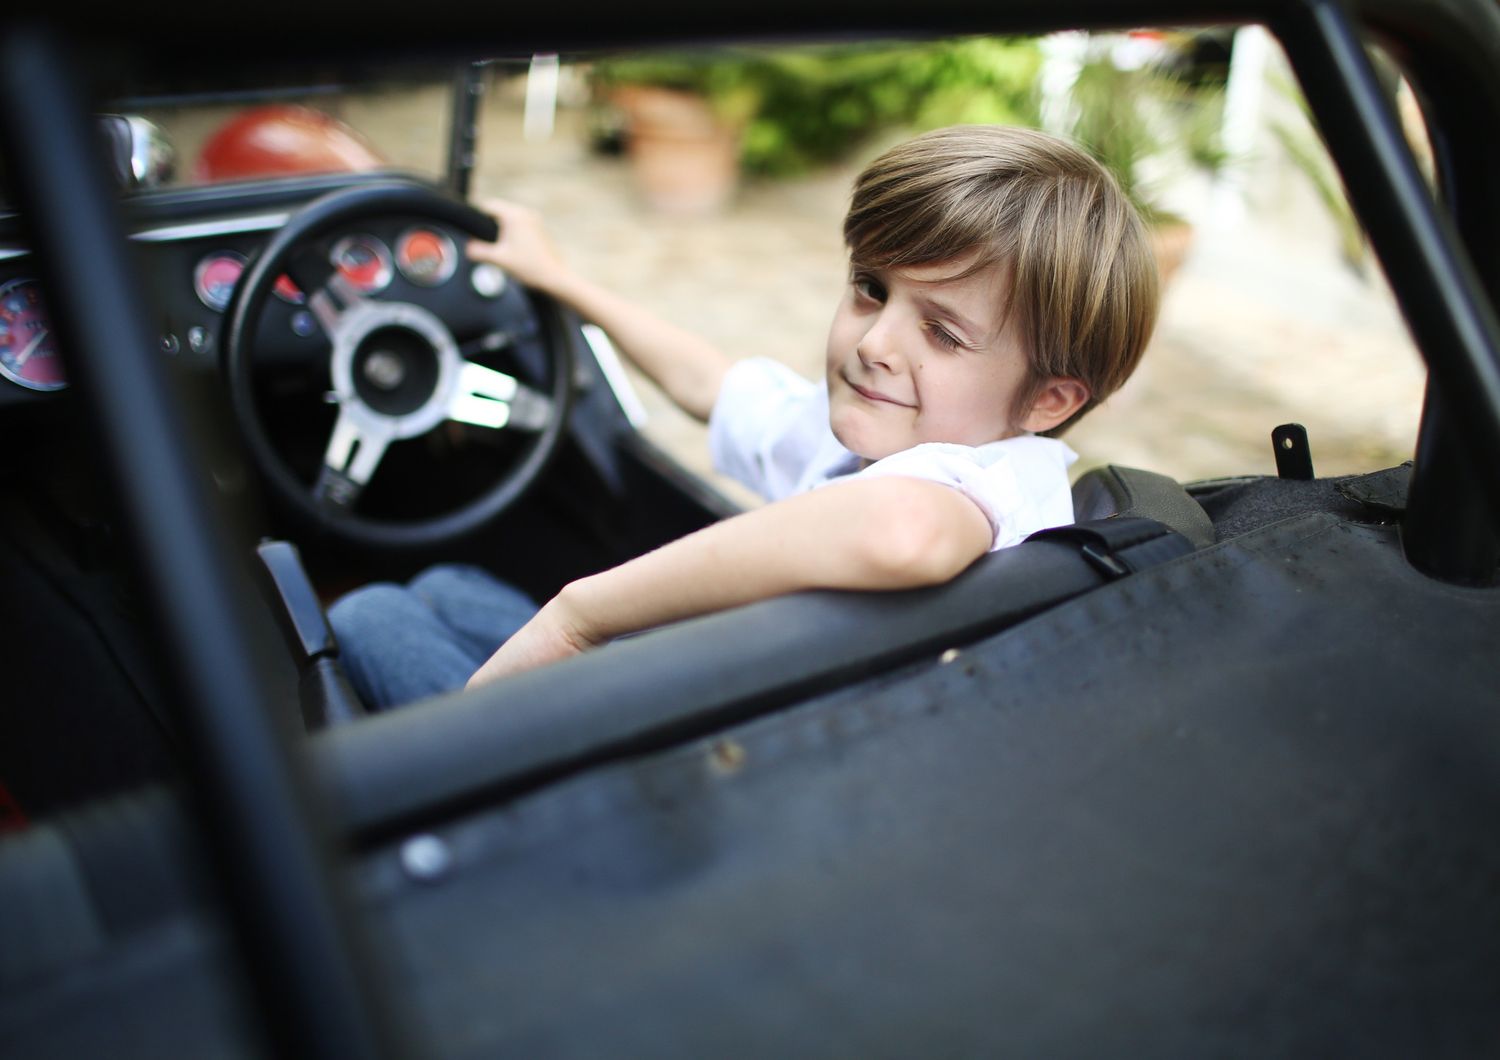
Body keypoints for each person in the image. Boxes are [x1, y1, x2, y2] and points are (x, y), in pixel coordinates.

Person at [330, 124, 1159, 708]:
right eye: (871, 288)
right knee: (443, 585)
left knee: (367, 613)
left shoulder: (994, 481)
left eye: (941, 333)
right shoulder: (884, 438)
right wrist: (562, 282)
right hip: (722, 692)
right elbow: (712, 383)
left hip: (717, 760)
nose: (874, 342)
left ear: (1049, 401)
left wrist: (581, 616)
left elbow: (903, 532)